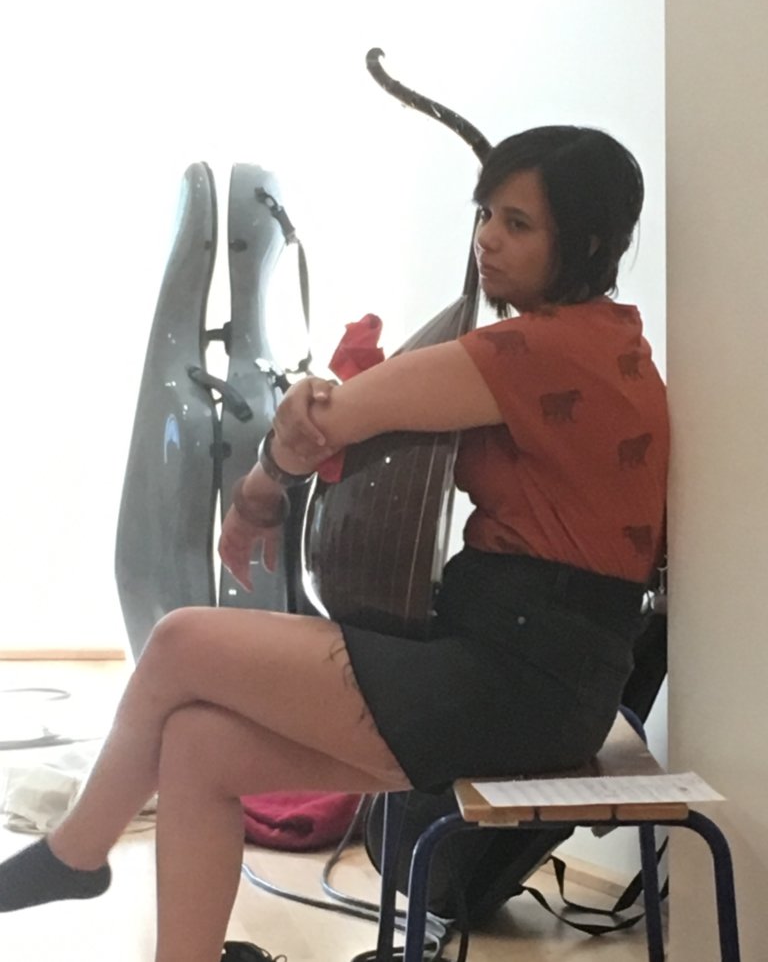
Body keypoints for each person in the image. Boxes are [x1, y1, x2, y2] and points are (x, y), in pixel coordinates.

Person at [0, 125, 668, 962]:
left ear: (590, 242)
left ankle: (75, 853)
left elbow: (336, 417)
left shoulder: (539, 350)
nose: (487, 239)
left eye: (518, 223)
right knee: (197, 745)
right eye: (485, 213)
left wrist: (259, 490)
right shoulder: (605, 340)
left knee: (179, 642)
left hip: (515, 677)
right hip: (543, 674)